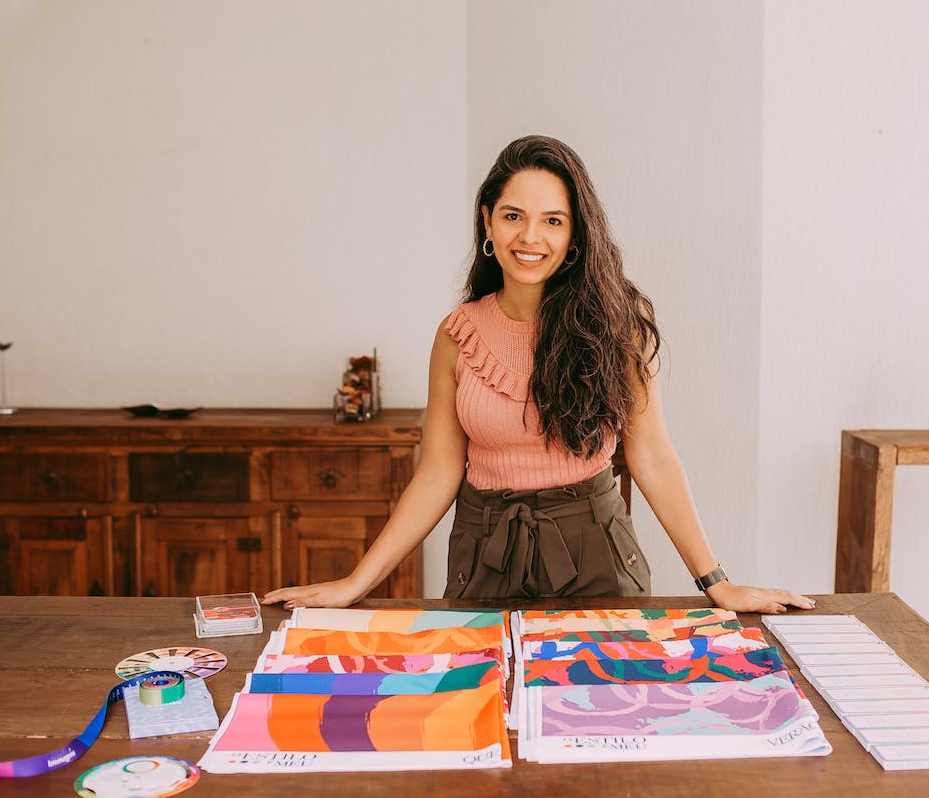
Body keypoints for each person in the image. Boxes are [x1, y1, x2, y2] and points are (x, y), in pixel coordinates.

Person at [263, 135, 813, 614]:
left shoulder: (619, 329)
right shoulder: (457, 336)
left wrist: (718, 583)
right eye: (513, 216)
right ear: (487, 221)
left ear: (575, 234)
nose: (530, 237)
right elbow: (436, 474)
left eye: (553, 220)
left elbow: (653, 457)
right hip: (484, 550)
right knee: (483, 712)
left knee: (600, 712)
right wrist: (357, 582)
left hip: (593, 548)